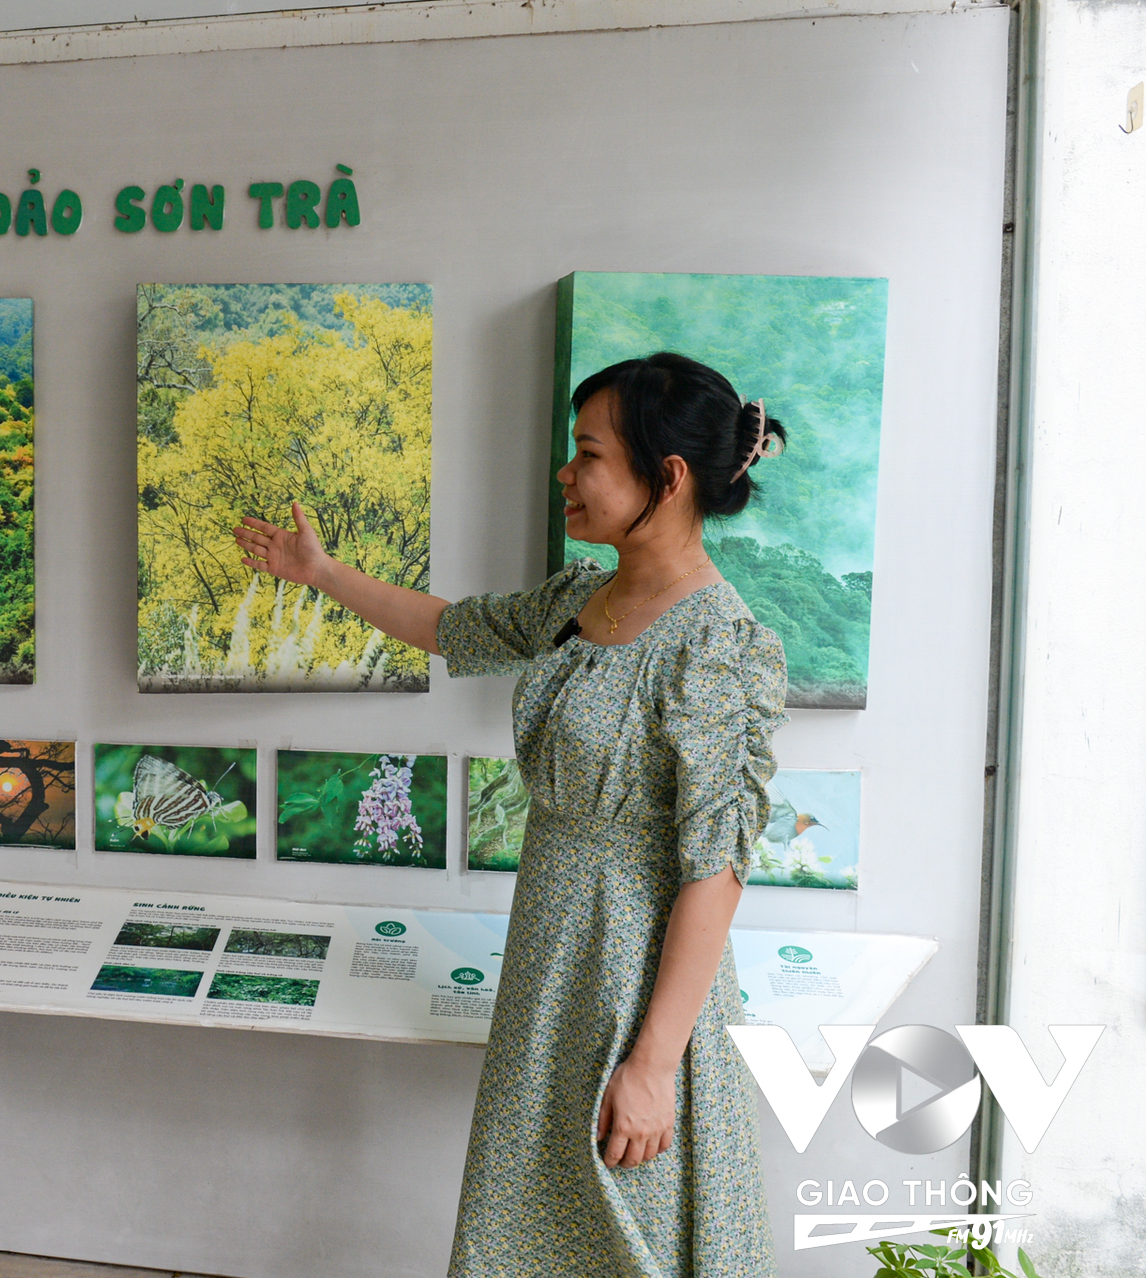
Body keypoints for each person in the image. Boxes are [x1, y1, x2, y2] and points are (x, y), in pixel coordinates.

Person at [235, 352, 786, 1277]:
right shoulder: (583, 599)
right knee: (531, 1214)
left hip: (631, 975)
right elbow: (450, 627)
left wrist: (653, 1066)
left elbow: (714, 870)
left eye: (590, 454)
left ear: (670, 476)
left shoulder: (721, 647)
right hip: (550, 960)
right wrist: (322, 574)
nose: (566, 474)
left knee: (630, 1219)